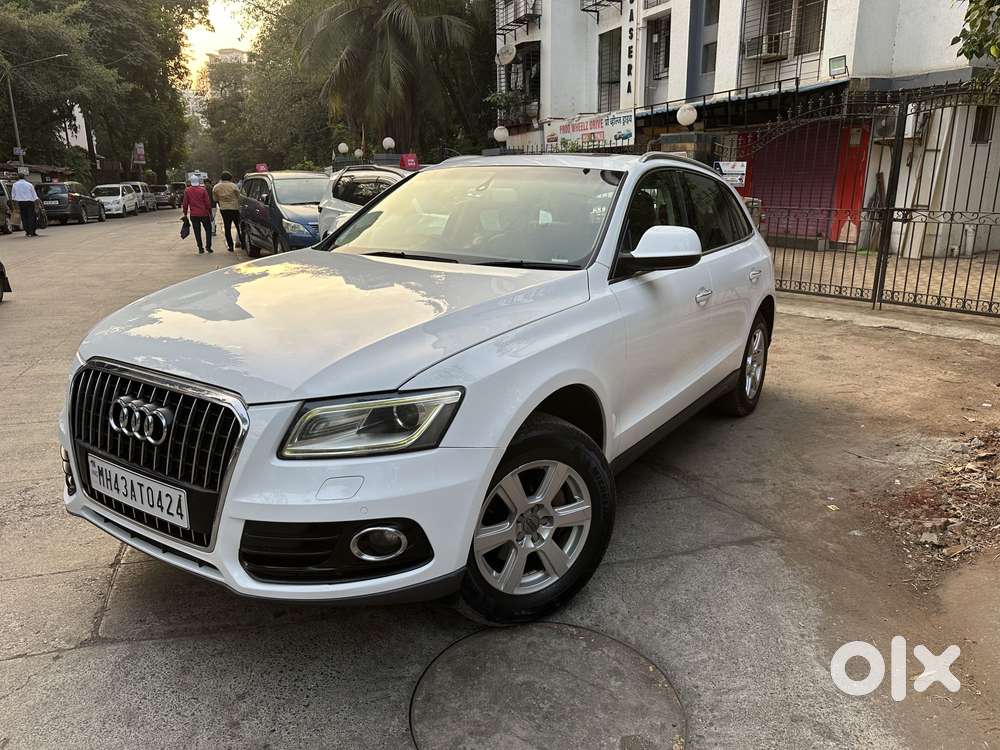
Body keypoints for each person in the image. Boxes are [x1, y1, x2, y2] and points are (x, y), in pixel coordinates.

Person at [182, 176, 213, 253]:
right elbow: (208, 203)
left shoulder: (187, 191)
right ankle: (208, 247)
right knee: (208, 230)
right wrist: (210, 213)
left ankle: (200, 248)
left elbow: (185, 203)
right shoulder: (203, 190)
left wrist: (185, 213)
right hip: (204, 214)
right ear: (198, 181)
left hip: (194, 215)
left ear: (191, 182)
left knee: (197, 231)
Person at [212, 171, 241, 252]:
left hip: (224, 209)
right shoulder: (233, 186)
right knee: (238, 226)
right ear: (230, 178)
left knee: (227, 228)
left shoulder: (216, 187)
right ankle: (242, 243)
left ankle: (230, 246)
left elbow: (215, 199)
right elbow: (239, 197)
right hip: (235, 208)